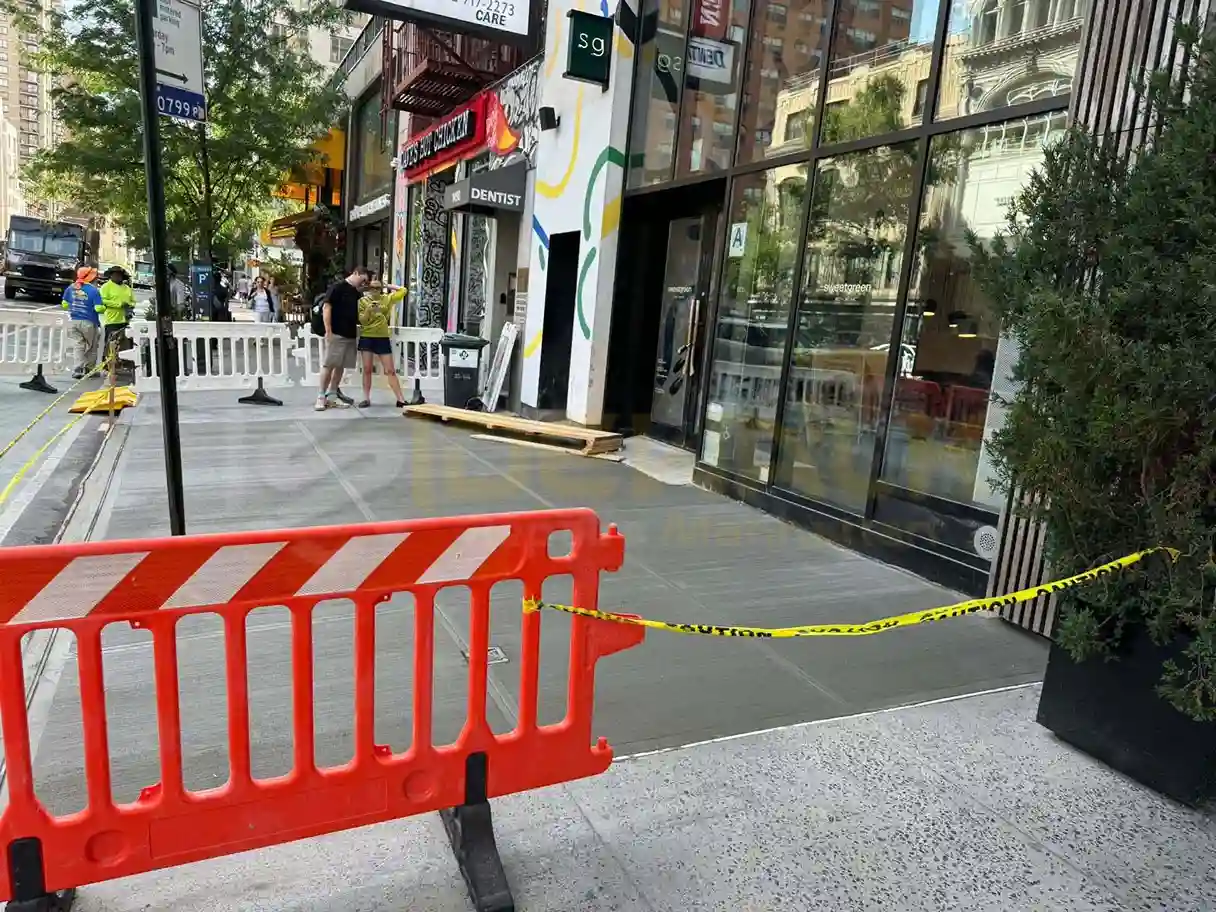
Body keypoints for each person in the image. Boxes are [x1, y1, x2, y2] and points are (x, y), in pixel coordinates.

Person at [315, 265, 369, 411]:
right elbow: (327, 307)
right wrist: (328, 330)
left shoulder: (356, 293)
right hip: (337, 332)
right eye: (363, 280)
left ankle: (332, 395)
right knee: (329, 364)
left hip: (350, 334)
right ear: (356, 273)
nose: (363, 284)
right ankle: (321, 396)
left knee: (340, 366)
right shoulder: (337, 287)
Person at [356, 278, 407, 408]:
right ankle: (366, 398)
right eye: (372, 287)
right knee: (367, 369)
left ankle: (400, 399)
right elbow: (362, 320)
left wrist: (387, 285)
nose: (375, 290)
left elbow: (403, 290)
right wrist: (368, 309)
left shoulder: (387, 299)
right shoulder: (363, 301)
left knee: (390, 370)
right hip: (367, 336)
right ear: (369, 288)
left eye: (378, 288)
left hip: (382, 337)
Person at [61, 266, 101, 378]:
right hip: (88, 322)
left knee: (78, 345)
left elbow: (64, 304)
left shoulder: (71, 287)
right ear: (91, 278)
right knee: (92, 346)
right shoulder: (93, 290)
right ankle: (89, 369)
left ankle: (77, 369)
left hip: (73, 321)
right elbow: (99, 308)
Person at [96, 266, 136, 364]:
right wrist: (118, 304)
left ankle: (122, 363)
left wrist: (129, 305)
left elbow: (133, 301)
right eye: (115, 274)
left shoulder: (127, 288)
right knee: (111, 343)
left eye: (119, 275)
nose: (118, 277)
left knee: (124, 343)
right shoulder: (106, 287)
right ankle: (107, 363)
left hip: (125, 320)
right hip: (112, 320)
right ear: (111, 276)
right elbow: (102, 300)